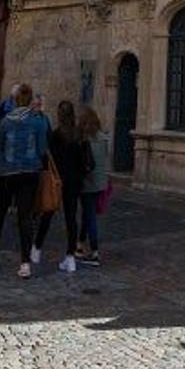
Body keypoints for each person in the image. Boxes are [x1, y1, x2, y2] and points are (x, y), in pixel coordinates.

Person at [0, 83, 48, 274]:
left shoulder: (6, 122)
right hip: (30, 173)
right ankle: (25, 263)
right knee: (25, 217)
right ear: (30, 99)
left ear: (15, 100)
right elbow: (42, 150)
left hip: (8, 173)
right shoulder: (37, 122)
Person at [34, 99, 90, 273]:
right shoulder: (80, 135)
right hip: (74, 183)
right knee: (71, 219)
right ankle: (70, 257)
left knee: (48, 213)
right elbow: (88, 162)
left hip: (57, 181)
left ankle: (36, 248)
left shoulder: (56, 135)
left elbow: (47, 158)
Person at [77, 106, 110, 264]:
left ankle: (95, 251)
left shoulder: (84, 140)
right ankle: (80, 242)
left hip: (87, 183)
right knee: (87, 213)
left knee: (90, 216)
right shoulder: (103, 138)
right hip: (100, 183)